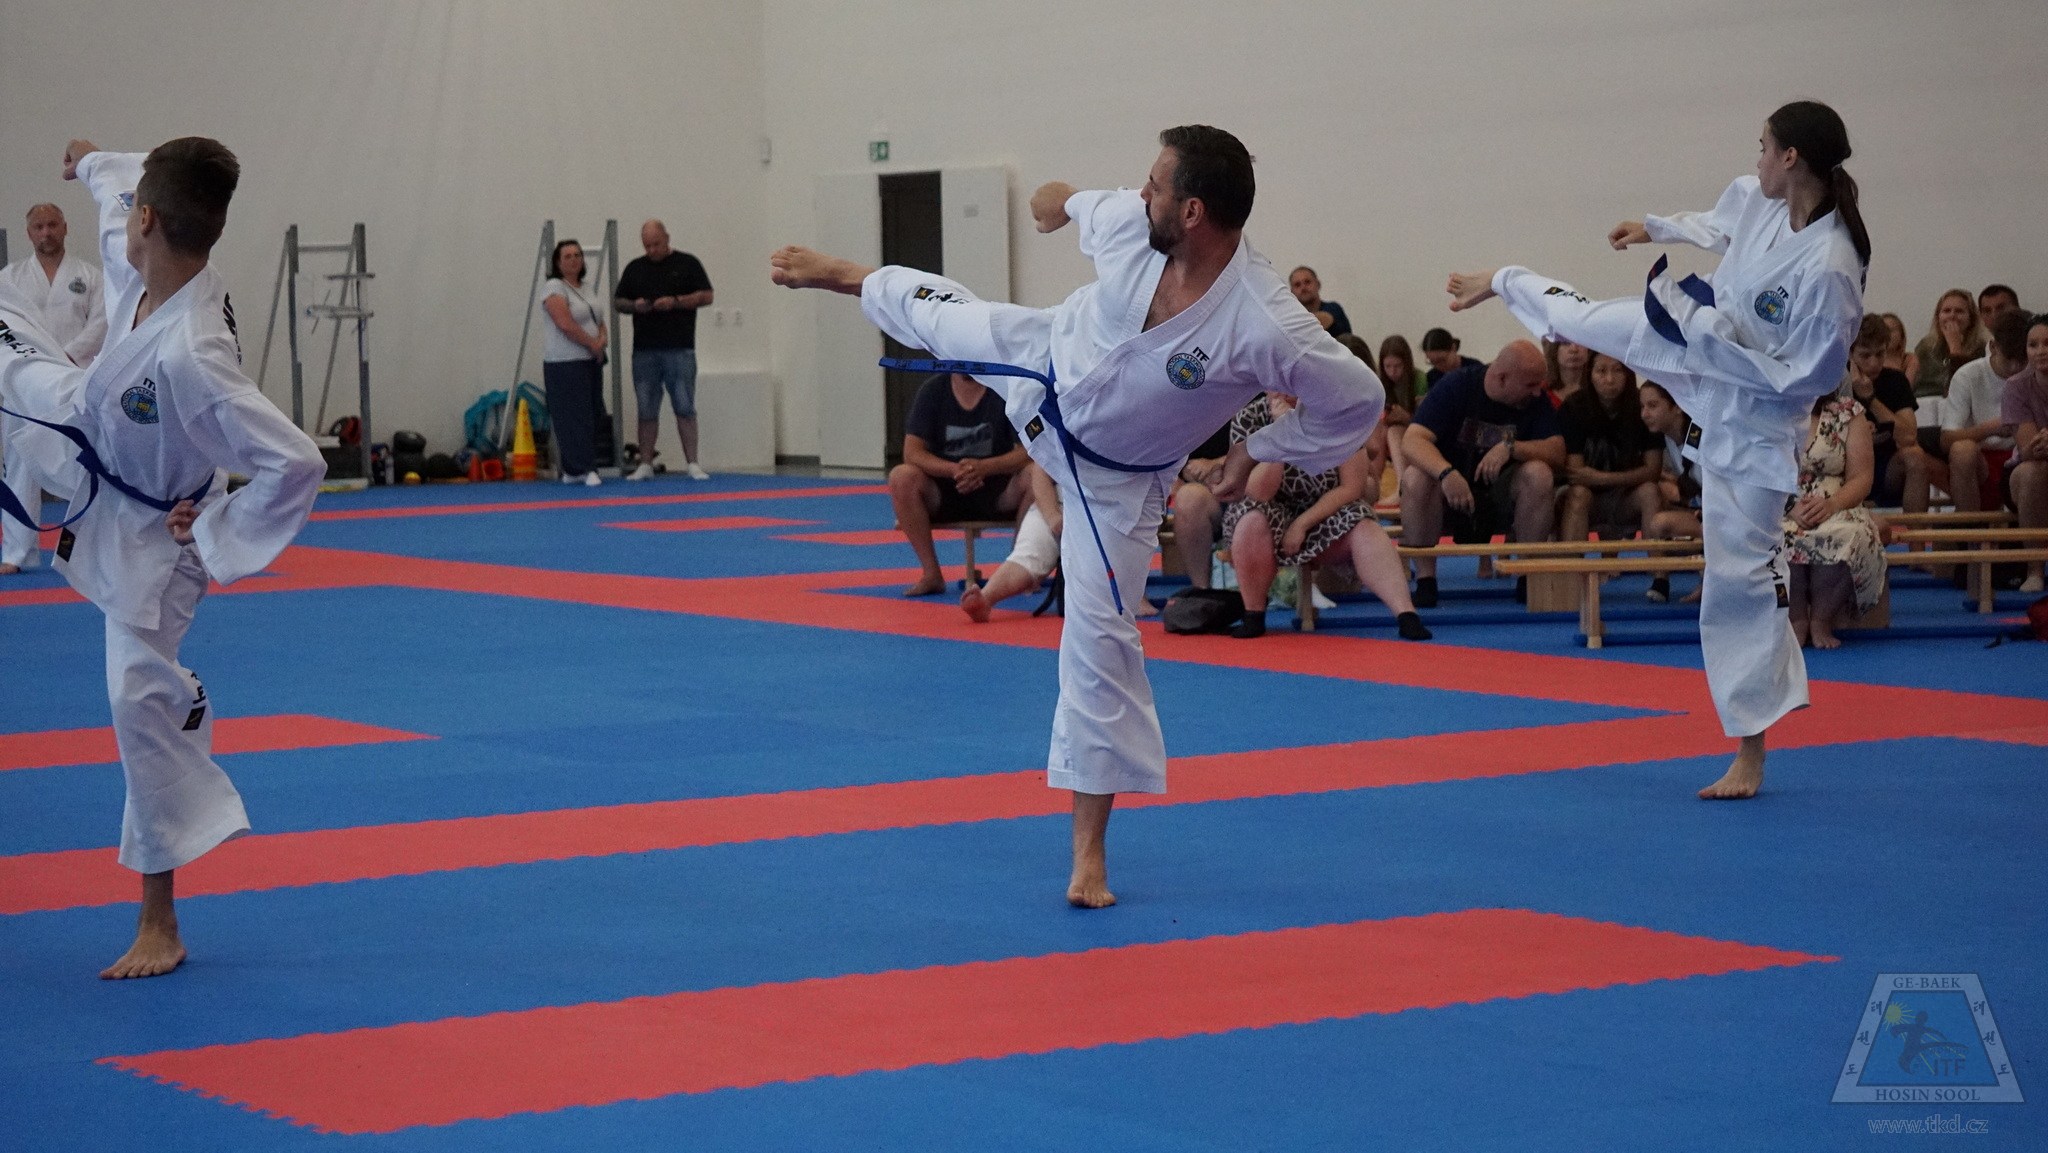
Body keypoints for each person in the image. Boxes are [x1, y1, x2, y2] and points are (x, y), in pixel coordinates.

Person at [771, 125, 1381, 908]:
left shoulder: (1265, 322)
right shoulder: (1132, 221)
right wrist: (1053, 204)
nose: (1140, 192)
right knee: (949, 317)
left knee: (1101, 648)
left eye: (1156, 184)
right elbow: (1078, 201)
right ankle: (848, 275)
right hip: (1040, 363)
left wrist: (1259, 445)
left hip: (1111, 485)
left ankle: (1088, 856)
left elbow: (1358, 403)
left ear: (1193, 211)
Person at [1446, 99, 1869, 800]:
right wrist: (1656, 228)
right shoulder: (1766, 202)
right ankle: (1504, 278)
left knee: (1739, 583)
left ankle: (1751, 750)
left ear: (1792, 157)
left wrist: (1711, 339)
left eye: (1764, 146)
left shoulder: (1830, 264)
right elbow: (1722, 218)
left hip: (1755, 423)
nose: (1758, 157)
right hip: (1696, 345)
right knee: (1584, 319)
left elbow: (1811, 375)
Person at [0, 139, 324, 978]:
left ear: (151, 219)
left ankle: (159, 920)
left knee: (135, 696)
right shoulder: (137, 253)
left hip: (156, 528)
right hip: (93, 443)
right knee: (13, 369)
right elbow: (116, 183)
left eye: (134, 205)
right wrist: (89, 159)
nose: (123, 217)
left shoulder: (195, 354)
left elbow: (298, 461)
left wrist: (217, 524)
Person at [1222, 391, 1429, 640]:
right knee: (1250, 518)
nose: (1284, 391)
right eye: (1276, 384)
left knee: (1363, 522)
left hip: (1326, 509)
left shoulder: (1336, 412)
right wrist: (1281, 433)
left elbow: (1351, 487)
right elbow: (1259, 492)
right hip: (1269, 510)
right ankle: (1253, 615)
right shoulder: (1248, 418)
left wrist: (1302, 524)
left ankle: (1406, 614)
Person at [1398, 341, 1563, 607]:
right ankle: (1426, 580)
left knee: (1539, 474)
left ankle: (1527, 574)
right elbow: (1412, 439)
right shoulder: (1457, 386)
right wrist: (1446, 473)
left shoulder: (1535, 399)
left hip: (1501, 494)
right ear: (1502, 378)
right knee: (1415, 477)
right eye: (1530, 385)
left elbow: (1557, 451)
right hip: (1445, 493)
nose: (1536, 392)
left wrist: (1511, 447)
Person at [1, 204, 107, 573]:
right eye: (38, 227)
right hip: (24, 386)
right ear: (28, 233)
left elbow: (102, 323)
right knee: (19, 465)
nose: (46, 232)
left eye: (52, 225)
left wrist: (64, 357)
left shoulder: (90, 276)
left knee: (83, 467)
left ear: (65, 227)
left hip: (73, 380)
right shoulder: (9, 278)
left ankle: (83, 550)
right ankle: (16, 553)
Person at [892, 372, 1031, 596]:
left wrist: (985, 467)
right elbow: (912, 453)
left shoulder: (1005, 388)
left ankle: (1020, 568)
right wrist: (954, 470)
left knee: (1035, 475)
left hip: (997, 490)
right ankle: (931, 573)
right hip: (945, 490)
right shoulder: (933, 391)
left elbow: (1029, 451)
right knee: (901, 477)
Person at [1783, 389, 1885, 648]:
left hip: (1839, 504)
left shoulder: (1850, 412)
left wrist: (1832, 505)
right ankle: (1795, 619)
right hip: (1781, 504)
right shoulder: (1768, 407)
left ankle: (1821, 620)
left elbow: (1862, 478)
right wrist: (1789, 506)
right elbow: (1755, 469)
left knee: (1852, 535)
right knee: (1774, 534)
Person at [613, 220, 714, 480]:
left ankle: (693, 462)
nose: (652, 250)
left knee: (685, 406)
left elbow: (707, 296)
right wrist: (635, 306)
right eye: (647, 246)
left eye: (656, 244)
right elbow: (619, 302)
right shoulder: (635, 268)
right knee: (646, 408)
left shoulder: (688, 263)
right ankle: (645, 463)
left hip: (680, 348)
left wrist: (676, 302)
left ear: (667, 238)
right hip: (644, 350)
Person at [1557, 353, 1662, 545]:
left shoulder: (1642, 406)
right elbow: (1576, 474)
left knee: (1650, 492)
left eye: (1617, 370)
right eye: (1601, 371)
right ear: (1589, 373)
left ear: (1628, 373)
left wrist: (1602, 478)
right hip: (1588, 497)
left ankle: (1658, 564)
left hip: (1627, 496)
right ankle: (1571, 562)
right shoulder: (1574, 407)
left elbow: (1653, 471)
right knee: (1578, 494)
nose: (1610, 379)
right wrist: (1602, 479)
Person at [1941, 308, 2026, 513]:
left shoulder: (2037, 374)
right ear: (1994, 347)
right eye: (2009, 359)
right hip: (1982, 463)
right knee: (1962, 451)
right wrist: (1991, 428)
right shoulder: (1968, 375)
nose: (2015, 367)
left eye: (2022, 360)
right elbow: (1947, 440)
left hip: (2024, 459)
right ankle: (1970, 527)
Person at [539, 239, 607, 485]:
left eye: (577, 255)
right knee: (573, 417)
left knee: (594, 413)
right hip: (564, 362)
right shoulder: (554, 287)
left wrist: (601, 341)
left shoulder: (586, 288)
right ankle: (582, 467)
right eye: (567, 256)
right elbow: (565, 323)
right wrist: (591, 343)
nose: (574, 260)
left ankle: (577, 467)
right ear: (558, 262)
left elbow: (598, 319)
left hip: (589, 361)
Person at [1845, 314, 1927, 509]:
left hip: (1886, 466)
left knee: (1915, 456)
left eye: (1880, 354)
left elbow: (1908, 437)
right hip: (1846, 465)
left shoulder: (1895, 380)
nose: (1874, 363)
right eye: (1865, 356)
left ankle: (1917, 529)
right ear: (1850, 354)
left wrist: (1870, 399)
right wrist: (1856, 431)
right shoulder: (1836, 381)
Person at [961, 462, 1061, 621]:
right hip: (1056, 500)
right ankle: (986, 598)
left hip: (1101, 506)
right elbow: (1040, 469)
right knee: (1027, 556)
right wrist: (1052, 515)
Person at [1638, 380, 1703, 603]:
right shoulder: (1667, 437)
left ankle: (1710, 582)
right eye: (1642, 407)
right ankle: (1661, 580)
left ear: (1676, 406)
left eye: (1653, 405)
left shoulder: (1701, 435)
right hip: (1704, 513)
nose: (1645, 414)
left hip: (1727, 515)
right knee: (1658, 523)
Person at [2004, 314, 2048, 593]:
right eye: (2033, 345)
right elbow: (2029, 449)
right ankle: (2034, 569)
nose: (2041, 351)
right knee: (2034, 472)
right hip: (2025, 472)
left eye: (2047, 343)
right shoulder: (2016, 386)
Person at [1168, 421, 1231, 587]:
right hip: (1211, 493)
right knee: (1188, 498)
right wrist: (1185, 474)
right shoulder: (1182, 412)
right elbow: (1172, 464)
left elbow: (1264, 447)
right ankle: (1201, 589)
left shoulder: (1254, 407)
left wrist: (1218, 464)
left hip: (1254, 482)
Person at [1374, 334, 1429, 490]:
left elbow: (1425, 421)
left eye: (1397, 366)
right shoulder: (1380, 382)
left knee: (1393, 431)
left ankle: (1401, 486)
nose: (1392, 372)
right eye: (1388, 366)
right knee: (1382, 430)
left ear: (1406, 363)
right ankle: (1376, 481)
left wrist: (1406, 417)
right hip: (1387, 432)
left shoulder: (1419, 379)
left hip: (1414, 431)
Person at [1910, 289, 1983, 402]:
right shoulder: (1926, 346)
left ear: (1971, 319)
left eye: (1959, 311)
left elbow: (1963, 391)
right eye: (1947, 311)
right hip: (1924, 403)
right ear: (1938, 316)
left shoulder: (1981, 348)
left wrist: (1955, 347)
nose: (1952, 316)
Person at [1287, 265, 1351, 337]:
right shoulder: (1291, 316)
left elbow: (1323, 320)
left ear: (1318, 284)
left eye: (1307, 282)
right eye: (1297, 285)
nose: (1303, 287)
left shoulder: (1333, 308)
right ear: (1291, 292)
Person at [1545, 340, 1593, 405]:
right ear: (1555, 350)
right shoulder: (1539, 388)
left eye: (1580, 342)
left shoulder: (1597, 388)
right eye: (1566, 343)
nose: (1574, 350)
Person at [1879, 312, 1917, 380]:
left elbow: (1906, 385)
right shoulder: (1870, 359)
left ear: (1901, 335)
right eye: (1883, 330)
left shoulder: (1909, 359)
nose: (1886, 334)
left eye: (1890, 330)